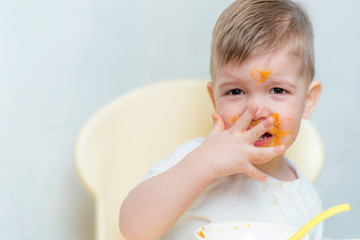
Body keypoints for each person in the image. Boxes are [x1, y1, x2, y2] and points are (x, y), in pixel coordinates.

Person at [119, 0, 323, 239]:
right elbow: (132, 227)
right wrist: (204, 164)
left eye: (277, 90)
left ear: (308, 100)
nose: (256, 110)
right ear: (214, 99)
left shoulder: (306, 200)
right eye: (235, 92)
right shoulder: (195, 159)